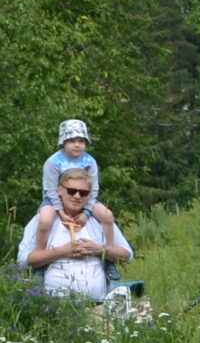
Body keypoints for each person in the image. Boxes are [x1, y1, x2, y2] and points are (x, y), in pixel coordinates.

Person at [20, 171, 131, 302]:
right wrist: (62, 251)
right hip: (53, 308)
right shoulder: (43, 221)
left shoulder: (99, 221)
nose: (77, 196)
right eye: (71, 191)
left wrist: (100, 250)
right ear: (59, 191)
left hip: (98, 306)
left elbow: (127, 256)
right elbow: (24, 260)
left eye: (83, 193)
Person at [42, 119, 99, 210]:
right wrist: (60, 210)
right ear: (64, 143)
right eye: (72, 141)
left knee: (106, 215)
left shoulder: (90, 162)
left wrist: (87, 210)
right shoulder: (53, 162)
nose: (77, 145)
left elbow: (94, 187)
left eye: (81, 141)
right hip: (55, 200)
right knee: (45, 219)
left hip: (84, 199)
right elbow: (50, 189)